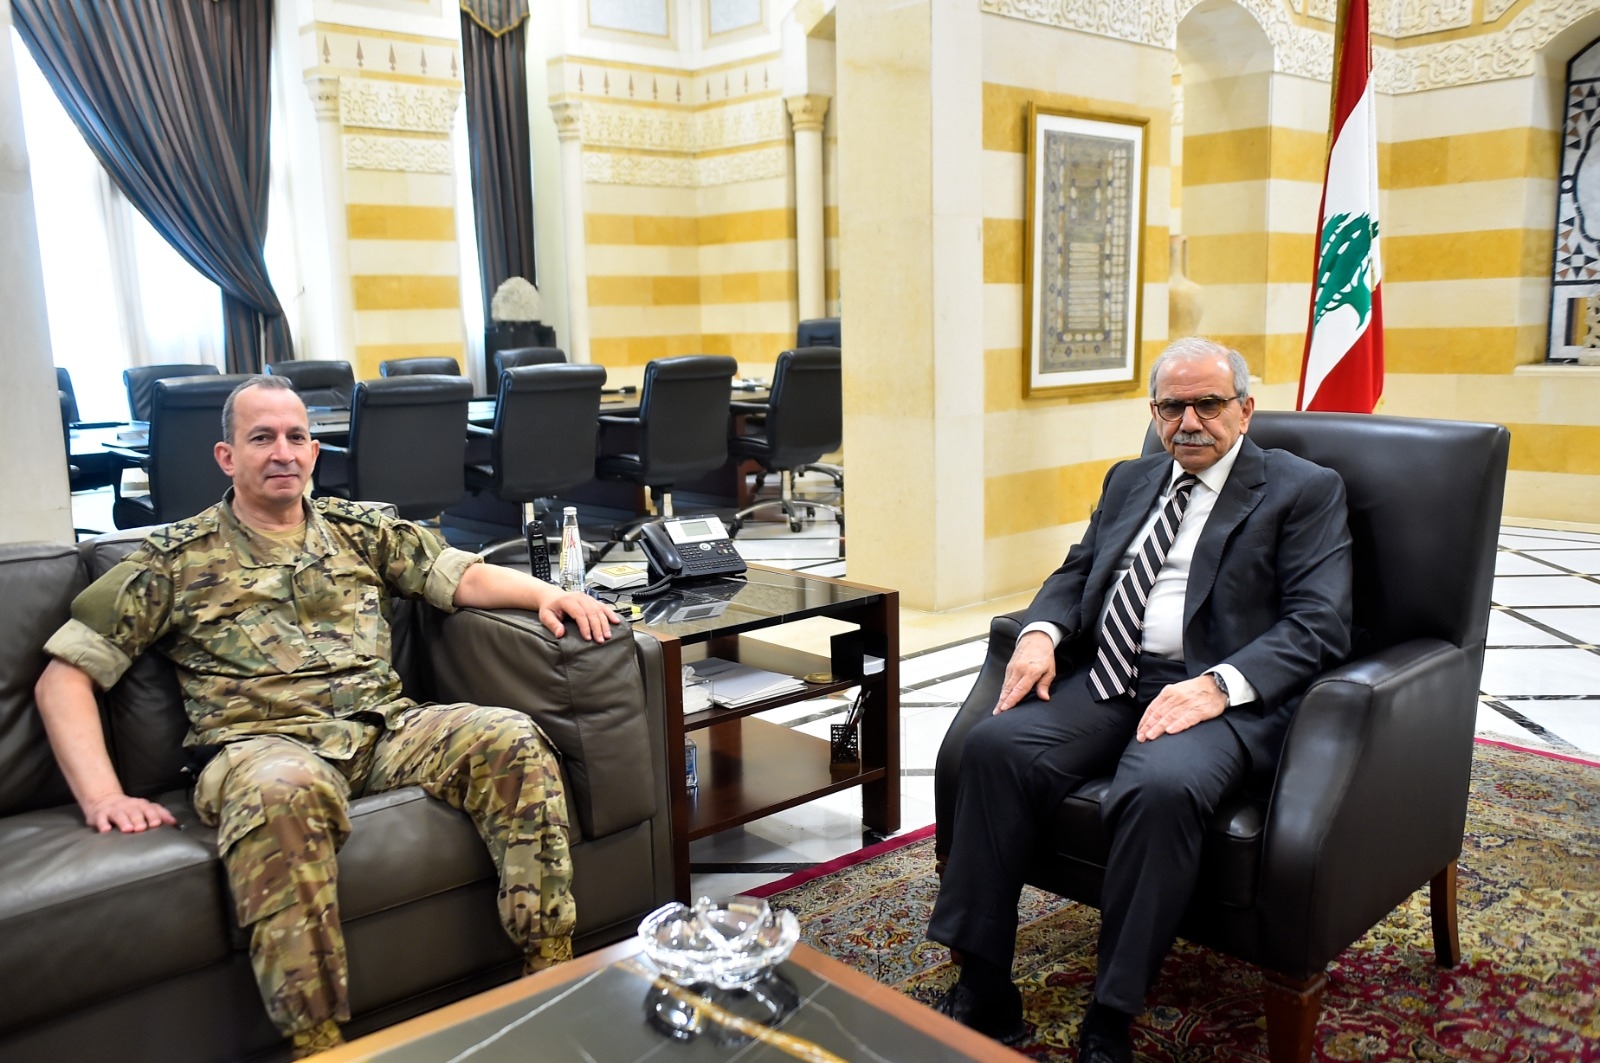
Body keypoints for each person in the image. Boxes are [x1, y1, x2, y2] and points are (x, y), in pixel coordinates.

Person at [33, 374, 621, 1059]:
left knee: (510, 737)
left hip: (384, 730)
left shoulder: (359, 529)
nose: (282, 452)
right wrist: (104, 795)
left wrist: (546, 594)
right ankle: (318, 1042)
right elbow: (64, 675)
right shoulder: (175, 558)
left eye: (296, 437)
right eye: (261, 438)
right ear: (227, 456)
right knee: (282, 791)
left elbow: (460, 574)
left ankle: (548, 969)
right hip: (261, 747)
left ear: (315, 452)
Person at [927, 338, 1353, 1063]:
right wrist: (1041, 631)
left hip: (1211, 693)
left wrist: (1218, 685)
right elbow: (1078, 570)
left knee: (1158, 789)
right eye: (1171, 407)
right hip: (1112, 674)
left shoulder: (1303, 490)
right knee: (993, 747)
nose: (1189, 421)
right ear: (1154, 412)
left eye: (1208, 403)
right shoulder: (1131, 478)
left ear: (1245, 409)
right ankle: (984, 982)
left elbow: (1320, 623)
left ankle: (1110, 1014)